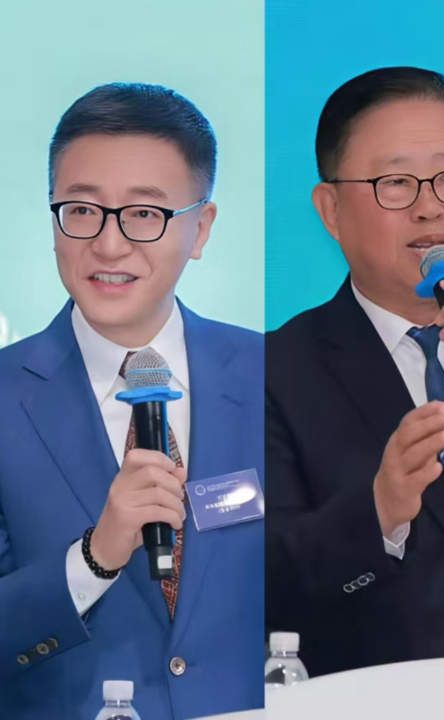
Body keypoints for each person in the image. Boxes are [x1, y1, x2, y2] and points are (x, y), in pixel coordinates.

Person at [265, 67, 444, 674]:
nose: (430, 207)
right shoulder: (274, 372)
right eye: (395, 183)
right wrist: (380, 511)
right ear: (331, 210)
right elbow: (262, 580)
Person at [0, 83, 264, 719]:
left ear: (200, 228)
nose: (109, 245)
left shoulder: (273, 374)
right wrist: (94, 557)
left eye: (144, 214)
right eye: (82, 210)